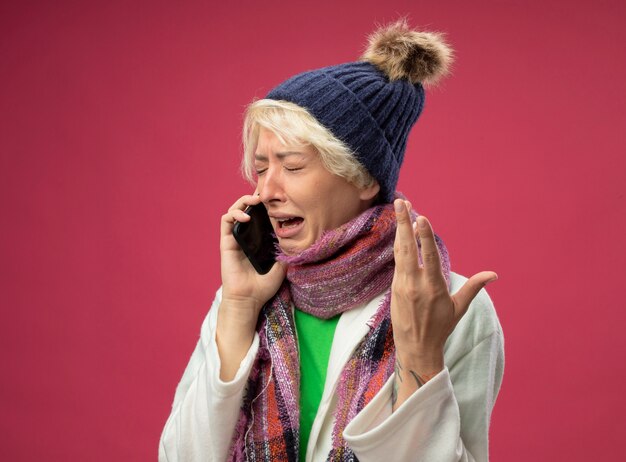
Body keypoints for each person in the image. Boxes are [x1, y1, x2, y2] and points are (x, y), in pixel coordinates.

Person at [159, 20, 504, 462]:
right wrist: (238, 310)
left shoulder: (449, 306)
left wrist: (419, 356)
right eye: (262, 168)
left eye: (294, 165)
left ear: (362, 177)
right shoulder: (244, 300)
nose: (267, 191)